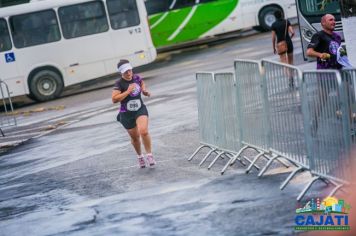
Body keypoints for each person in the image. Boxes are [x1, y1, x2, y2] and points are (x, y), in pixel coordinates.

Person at [112, 59, 155, 168]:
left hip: (140, 109)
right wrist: (127, 91)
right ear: (121, 72)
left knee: (144, 131)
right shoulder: (119, 83)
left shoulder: (136, 77)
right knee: (135, 138)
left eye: (130, 70)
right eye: (126, 71)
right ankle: (140, 156)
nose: (129, 73)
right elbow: (114, 99)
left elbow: (141, 82)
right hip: (126, 114)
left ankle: (149, 155)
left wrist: (144, 90)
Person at [271, 10, 295, 87]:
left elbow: (273, 38)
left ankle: (289, 78)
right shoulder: (287, 21)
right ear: (281, 14)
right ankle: (292, 77)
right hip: (289, 43)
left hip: (280, 44)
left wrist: (274, 47)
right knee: (291, 62)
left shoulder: (274, 25)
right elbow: (293, 32)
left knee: (284, 63)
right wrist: (289, 39)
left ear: (275, 16)